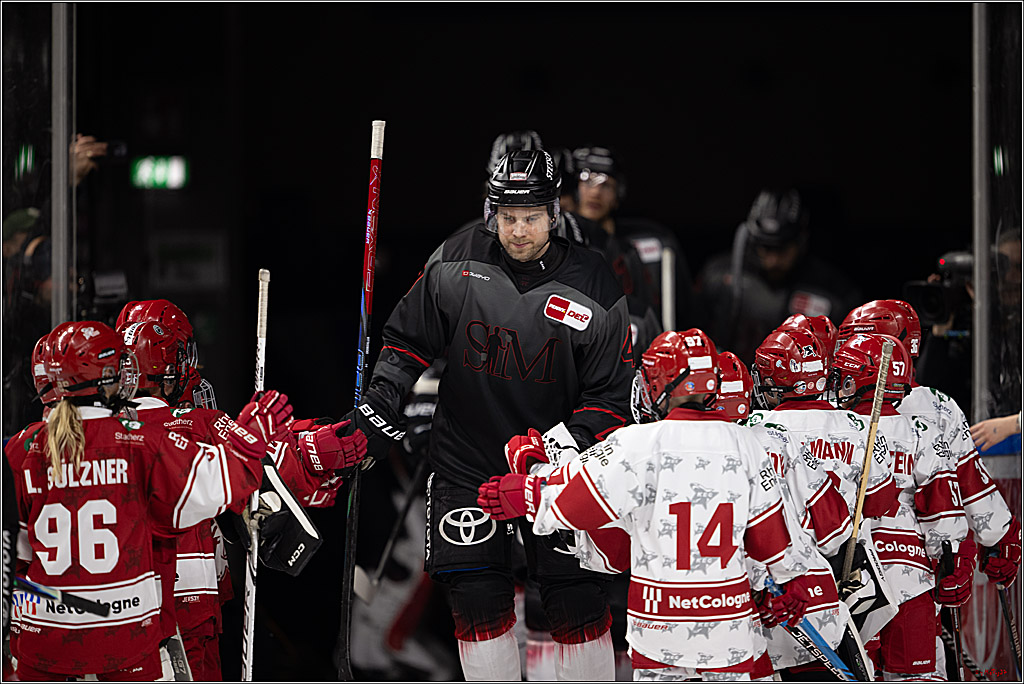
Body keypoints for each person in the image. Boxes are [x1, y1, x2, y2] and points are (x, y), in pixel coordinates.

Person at [343, 148, 634, 681]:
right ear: (490, 212)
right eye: (507, 218)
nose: (518, 231)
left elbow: (611, 399)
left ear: (554, 213)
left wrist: (553, 450)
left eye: (530, 218)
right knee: (477, 601)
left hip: (558, 470)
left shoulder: (595, 282)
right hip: (467, 464)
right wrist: (381, 406)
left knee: (576, 603)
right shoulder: (454, 261)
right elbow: (405, 342)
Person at [477, 328, 818, 680]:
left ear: (662, 382)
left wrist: (528, 483)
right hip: (727, 631)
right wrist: (791, 579)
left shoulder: (638, 444)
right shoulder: (747, 445)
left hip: (659, 632)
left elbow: (572, 504)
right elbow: (770, 537)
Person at [8, 320, 266, 680]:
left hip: (48, 644)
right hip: (125, 641)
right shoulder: (141, 442)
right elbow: (225, 482)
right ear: (108, 376)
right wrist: (250, 439)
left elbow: (14, 555)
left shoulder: (19, 449)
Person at [745, 326, 894, 677]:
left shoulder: (751, 429)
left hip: (768, 583)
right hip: (845, 570)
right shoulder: (857, 425)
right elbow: (881, 502)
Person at [830, 332, 963, 681]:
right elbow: (944, 511)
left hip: (855, 582)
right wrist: (950, 561)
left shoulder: (836, 430)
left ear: (856, 379)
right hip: (912, 580)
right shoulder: (921, 430)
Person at [694, 188, 862, 365]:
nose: (772, 260)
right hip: (730, 382)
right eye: (765, 248)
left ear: (801, 240)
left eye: (782, 249)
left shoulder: (833, 291)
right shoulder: (718, 275)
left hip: (803, 388)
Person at [571, 145, 692, 350]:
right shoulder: (556, 238)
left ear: (619, 193)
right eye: (587, 180)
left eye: (606, 184)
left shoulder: (637, 247)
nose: (596, 192)